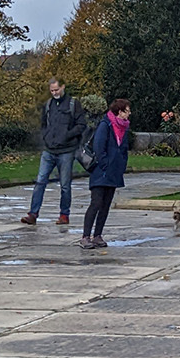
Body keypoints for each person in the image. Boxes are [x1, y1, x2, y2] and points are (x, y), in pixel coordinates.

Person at [23, 78, 86, 226]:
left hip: (66, 150)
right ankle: (33, 213)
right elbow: (44, 124)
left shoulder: (73, 104)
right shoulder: (48, 104)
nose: (54, 93)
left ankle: (64, 214)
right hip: (49, 150)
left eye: (56, 90)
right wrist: (46, 136)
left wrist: (67, 135)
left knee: (65, 184)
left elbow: (81, 124)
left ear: (63, 87)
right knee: (40, 181)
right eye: (52, 91)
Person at [81, 97, 132, 249]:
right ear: (120, 111)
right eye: (127, 111)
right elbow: (99, 146)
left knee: (106, 205)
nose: (129, 114)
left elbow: (123, 149)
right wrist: (105, 164)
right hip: (101, 172)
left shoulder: (124, 128)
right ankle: (85, 236)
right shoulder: (106, 125)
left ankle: (97, 235)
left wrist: (122, 164)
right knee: (96, 203)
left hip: (114, 172)